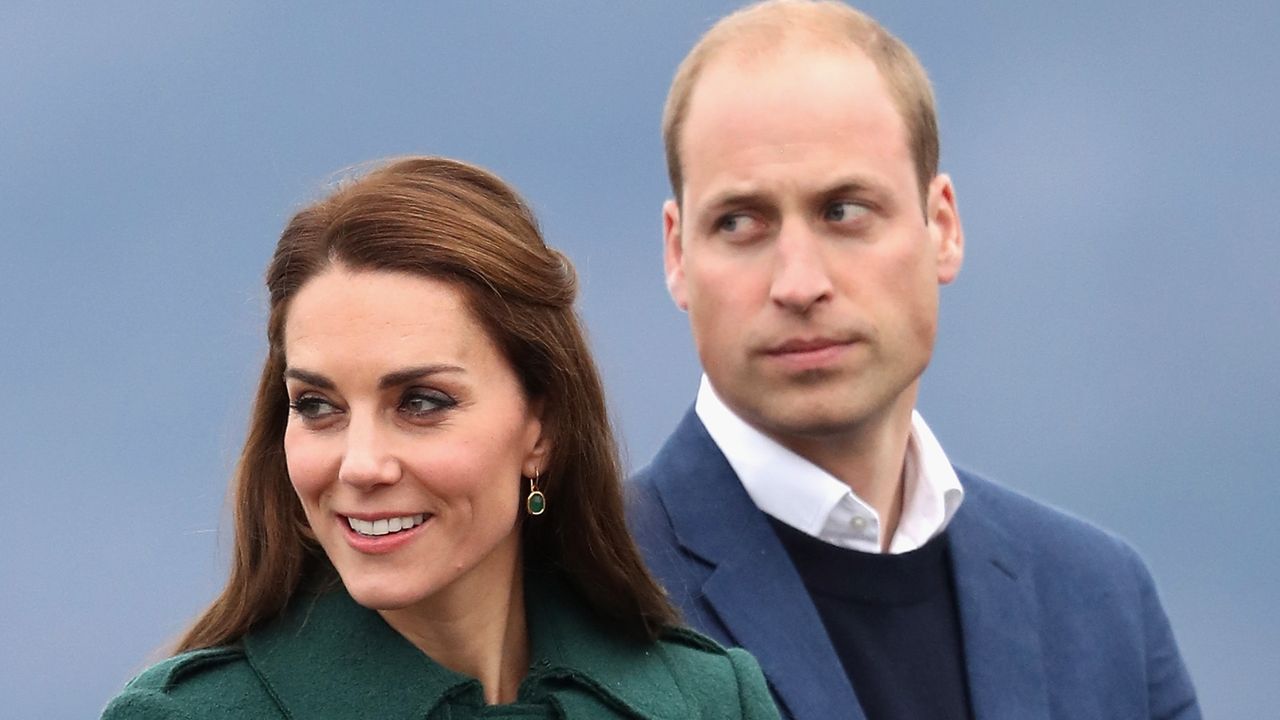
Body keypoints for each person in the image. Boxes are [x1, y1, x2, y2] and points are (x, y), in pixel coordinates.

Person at [625, 2, 1201, 719]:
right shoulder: (583, 594)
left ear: (944, 228)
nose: (799, 282)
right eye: (740, 222)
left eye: (843, 211)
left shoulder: (1100, 599)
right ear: (678, 255)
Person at [102, 156, 779, 719]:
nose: (361, 464)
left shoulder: (711, 699)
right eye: (317, 406)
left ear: (541, 427)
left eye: (421, 403)